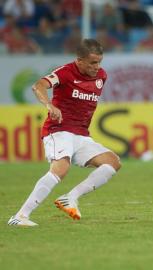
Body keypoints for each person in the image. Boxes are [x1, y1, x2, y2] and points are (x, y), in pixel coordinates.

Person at [8, 39, 121, 227]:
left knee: (113, 162)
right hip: (59, 130)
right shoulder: (65, 72)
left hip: (82, 135)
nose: (97, 67)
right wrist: (49, 104)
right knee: (61, 168)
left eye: (99, 61)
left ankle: (70, 198)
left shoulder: (101, 76)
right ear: (79, 60)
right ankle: (20, 216)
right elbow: (38, 86)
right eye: (93, 62)